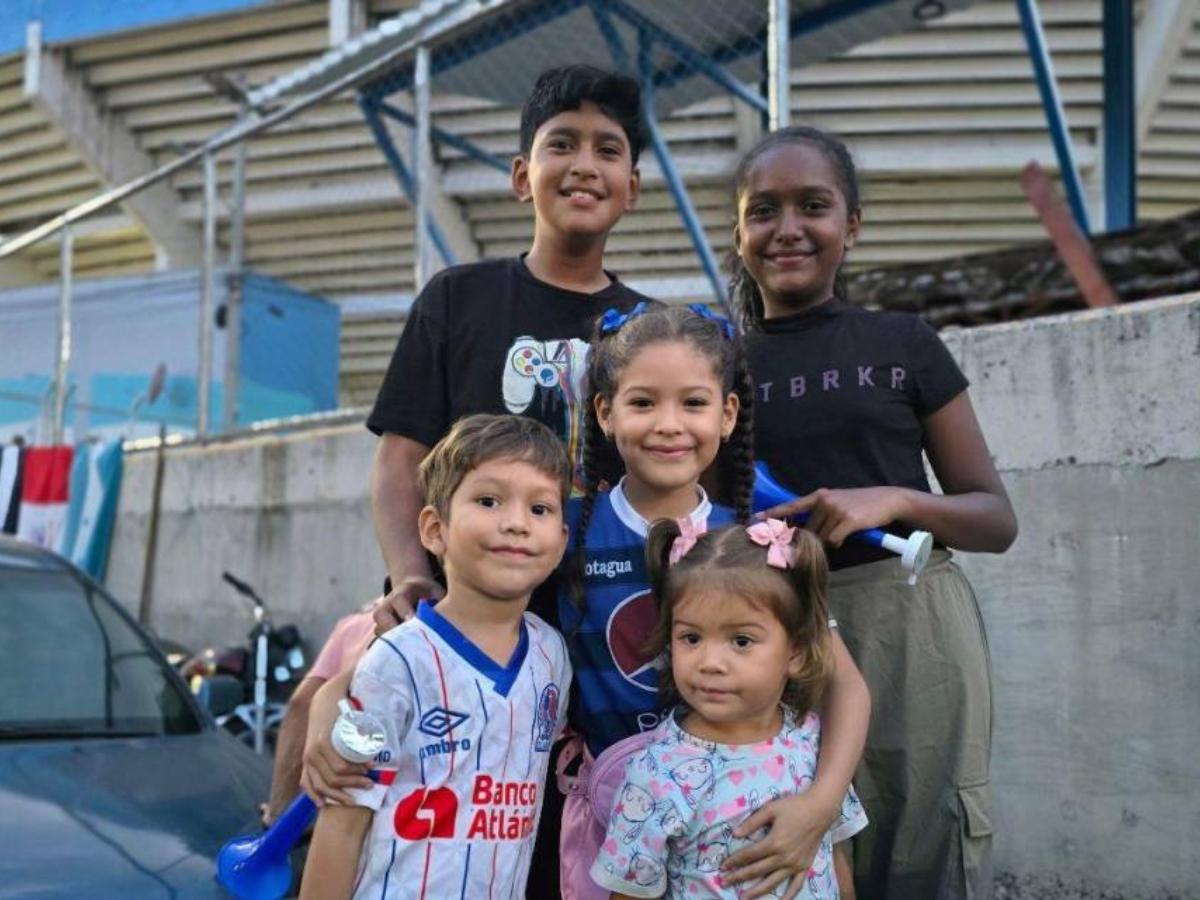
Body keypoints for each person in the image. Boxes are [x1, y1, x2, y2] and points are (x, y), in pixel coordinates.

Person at [727, 125, 1019, 900]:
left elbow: (995, 520)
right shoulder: (717, 366)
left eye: (813, 206)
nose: (788, 228)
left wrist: (892, 499)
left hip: (911, 623)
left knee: (925, 837)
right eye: (764, 210)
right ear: (739, 230)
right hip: (776, 628)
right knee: (792, 848)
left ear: (851, 225)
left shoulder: (903, 343)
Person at [560, 304, 870, 900]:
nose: (669, 424)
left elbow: (846, 684)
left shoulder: (751, 542)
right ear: (604, 412)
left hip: (748, 814)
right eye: (643, 402)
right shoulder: (562, 532)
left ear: (728, 415)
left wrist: (821, 804)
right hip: (614, 820)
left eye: (694, 403)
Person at [366, 63, 649, 628]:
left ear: (631, 190)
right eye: (562, 144)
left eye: (608, 150)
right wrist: (410, 574)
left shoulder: (650, 330)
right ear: (522, 177)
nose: (585, 166)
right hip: (465, 615)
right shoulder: (456, 298)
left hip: (604, 626)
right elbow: (401, 461)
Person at [299, 414, 573, 900]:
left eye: (540, 508)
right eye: (488, 501)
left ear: (561, 542)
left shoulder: (552, 656)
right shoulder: (395, 663)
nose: (516, 522)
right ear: (434, 529)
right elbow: (341, 826)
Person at [591, 518, 866, 899]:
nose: (710, 662)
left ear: (797, 653)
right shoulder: (656, 776)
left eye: (740, 640)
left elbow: (833, 856)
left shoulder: (813, 741)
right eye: (691, 637)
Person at [263, 602, 376, 825]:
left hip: (350, 815)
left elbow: (301, 705)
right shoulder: (438, 616)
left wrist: (278, 816)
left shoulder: (360, 620)